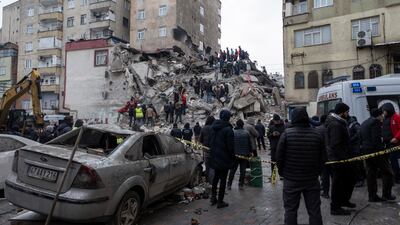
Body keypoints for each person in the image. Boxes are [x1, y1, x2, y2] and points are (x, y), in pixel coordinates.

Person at [276, 107, 325, 225]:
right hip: (311, 180)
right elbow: (323, 158)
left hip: (291, 180)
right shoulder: (317, 135)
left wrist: (283, 173)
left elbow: (279, 158)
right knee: (314, 211)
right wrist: (317, 172)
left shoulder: (286, 135)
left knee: (290, 211)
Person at [326, 103, 356, 215]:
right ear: (342, 112)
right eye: (347, 112)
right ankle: (335, 207)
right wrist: (343, 159)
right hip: (339, 160)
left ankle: (344, 201)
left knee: (348, 180)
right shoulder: (335, 124)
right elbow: (336, 144)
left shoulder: (339, 122)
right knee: (338, 183)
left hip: (342, 158)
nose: (348, 114)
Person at [360, 108, 395, 202]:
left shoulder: (364, 122)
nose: (383, 116)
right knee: (388, 172)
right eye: (382, 115)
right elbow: (376, 140)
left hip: (366, 151)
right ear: (379, 115)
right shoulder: (375, 123)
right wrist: (383, 150)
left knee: (371, 173)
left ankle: (372, 196)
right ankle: (386, 195)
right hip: (376, 151)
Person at [209, 110, 235, 209]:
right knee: (223, 179)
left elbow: (209, 142)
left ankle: (213, 198)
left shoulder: (213, 128)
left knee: (216, 178)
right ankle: (220, 201)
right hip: (224, 158)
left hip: (214, 157)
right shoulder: (228, 130)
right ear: (228, 118)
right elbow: (231, 147)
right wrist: (232, 158)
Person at [227, 119, 251, 190]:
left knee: (232, 170)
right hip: (244, 155)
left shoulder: (233, 132)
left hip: (235, 155)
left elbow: (230, 144)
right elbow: (249, 145)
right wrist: (249, 153)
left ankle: (229, 185)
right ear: (243, 125)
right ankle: (241, 185)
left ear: (236, 125)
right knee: (242, 171)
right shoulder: (247, 133)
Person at [381, 103, 400, 184]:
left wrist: (396, 138)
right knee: (390, 161)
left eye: (384, 111)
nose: (383, 112)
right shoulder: (385, 118)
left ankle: (397, 178)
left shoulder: (396, 117)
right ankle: (394, 176)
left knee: (394, 161)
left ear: (388, 110)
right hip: (387, 143)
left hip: (394, 143)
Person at [348, 116, 365, 187]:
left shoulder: (354, 124)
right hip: (354, 148)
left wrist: (351, 139)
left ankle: (360, 180)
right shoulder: (350, 124)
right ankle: (360, 178)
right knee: (356, 165)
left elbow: (358, 133)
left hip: (356, 148)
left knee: (358, 165)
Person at [316, 115, 330, 199]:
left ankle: (324, 191)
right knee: (327, 175)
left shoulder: (317, 129)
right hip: (330, 156)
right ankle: (326, 192)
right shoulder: (329, 129)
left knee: (323, 175)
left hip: (320, 156)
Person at [200, 116, 215, 183]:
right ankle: (212, 181)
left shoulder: (204, 128)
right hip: (214, 150)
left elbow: (201, 140)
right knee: (213, 166)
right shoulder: (215, 128)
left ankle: (207, 180)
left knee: (207, 165)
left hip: (205, 150)